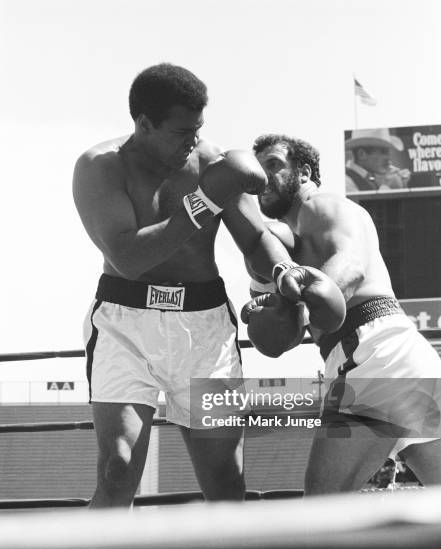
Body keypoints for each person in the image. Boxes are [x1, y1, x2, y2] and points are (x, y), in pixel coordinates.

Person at [72, 64, 294, 507]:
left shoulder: (211, 163)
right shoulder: (100, 168)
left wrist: (288, 274)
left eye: (198, 129)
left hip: (204, 329)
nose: (192, 140)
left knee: (227, 482)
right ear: (143, 123)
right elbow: (129, 258)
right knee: (117, 471)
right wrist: (206, 200)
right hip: (124, 324)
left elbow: (255, 239)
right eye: (180, 131)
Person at [245, 132, 441, 495]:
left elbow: (349, 266)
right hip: (399, 355)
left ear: (304, 173)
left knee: (324, 509)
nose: (262, 178)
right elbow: (276, 342)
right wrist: (274, 309)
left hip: (371, 354)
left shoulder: (323, 206)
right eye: (256, 171)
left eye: (273, 165)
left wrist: (306, 298)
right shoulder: (278, 247)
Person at [345, 128, 411, 192]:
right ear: (361, 154)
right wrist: (386, 186)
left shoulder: (372, 177)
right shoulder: (346, 182)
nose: (389, 158)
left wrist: (401, 187)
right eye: (383, 152)